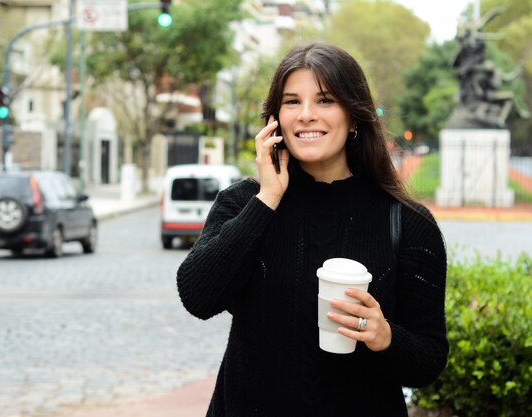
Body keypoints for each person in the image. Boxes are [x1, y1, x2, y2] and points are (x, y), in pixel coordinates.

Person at [176, 42, 448, 417]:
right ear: (275, 119)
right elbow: (198, 297)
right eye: (291, 102)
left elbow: (429, 358)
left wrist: (385, 337)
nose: (306, 115)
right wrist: (267, 199)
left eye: (324, 100)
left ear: (354, 117)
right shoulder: (243, 203)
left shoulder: (410, 224)